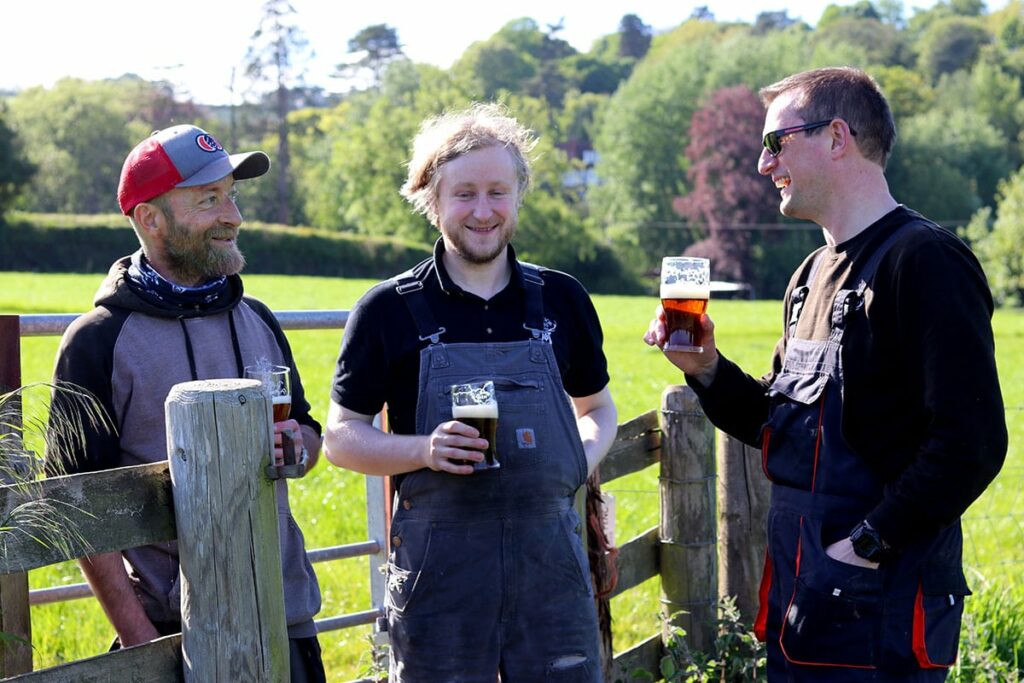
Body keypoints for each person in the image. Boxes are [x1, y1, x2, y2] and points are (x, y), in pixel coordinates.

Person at [645, 66, 1006, 681]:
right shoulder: (810, 274)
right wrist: (705, 368)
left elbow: (970, 444)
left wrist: (865, 546)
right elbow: (775, 422)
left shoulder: (926, 261)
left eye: (774, 143)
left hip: (885, 598)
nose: (764, 166)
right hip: (803, 589)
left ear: (837, 137)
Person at [323, 103, 618, 681]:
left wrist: (576, 457)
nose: (482, 212)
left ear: (519, 195)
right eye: (463, 194)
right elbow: (339, 438)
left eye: (497, 192)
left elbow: (599, 409)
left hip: (551, 579)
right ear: (430, 199)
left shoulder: (562, 300)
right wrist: (422, 451)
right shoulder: (388, 310)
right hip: (442, 589)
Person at [48, 125, 326, 681]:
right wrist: (140, 642)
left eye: (231, 195)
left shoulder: (260, 320)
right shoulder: (97, 341)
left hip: (285, 618)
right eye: (208, 200)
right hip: (173, 634)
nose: (234, 216)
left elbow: (308, 434)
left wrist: (296, 445)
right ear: (150, 219)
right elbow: (73, 507)